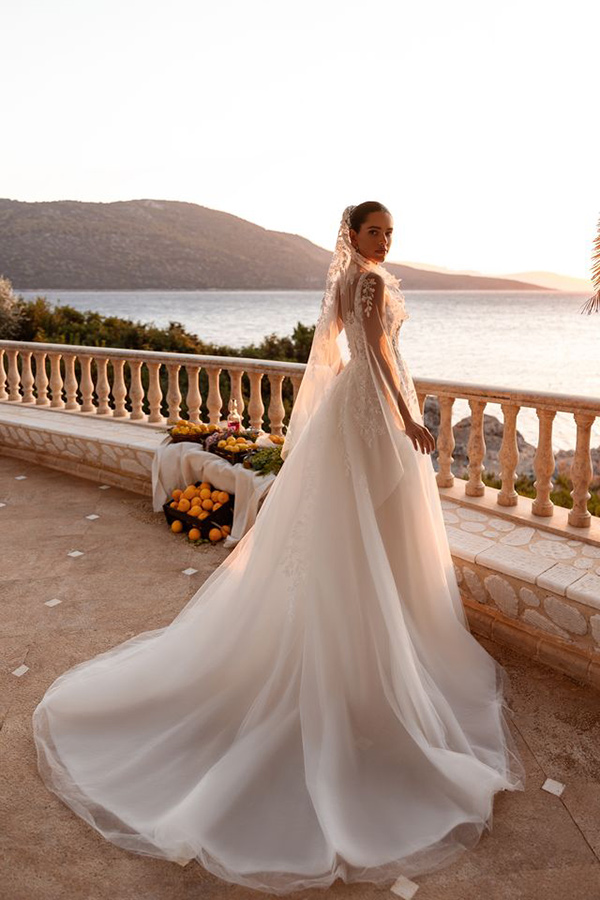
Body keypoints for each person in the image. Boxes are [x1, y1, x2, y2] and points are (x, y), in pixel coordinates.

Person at [32, 202, 526, 895]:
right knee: (374, 525)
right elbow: (378, 354)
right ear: (351, 234)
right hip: (375, 408)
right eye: (374, 230)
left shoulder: (338, 282)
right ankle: (375, 651)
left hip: (346, 410)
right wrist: (411, 417)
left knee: (351, 528)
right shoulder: (372, 284)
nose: (384, 241)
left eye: (390, 232)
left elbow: (342, 350)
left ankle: (364, 631)